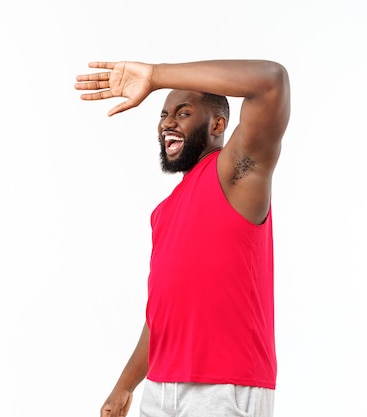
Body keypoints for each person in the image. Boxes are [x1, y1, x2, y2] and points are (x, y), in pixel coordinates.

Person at [74, 60, 290, 417]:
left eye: (183, 112)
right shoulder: (163, 212)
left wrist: (156, 77)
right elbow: (163, 313)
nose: (167, 123)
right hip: (161, 388)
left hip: (224, 387)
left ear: (218, 124)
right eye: (163, 115)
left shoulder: (236, 176)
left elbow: (271, 82)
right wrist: (125, 385)